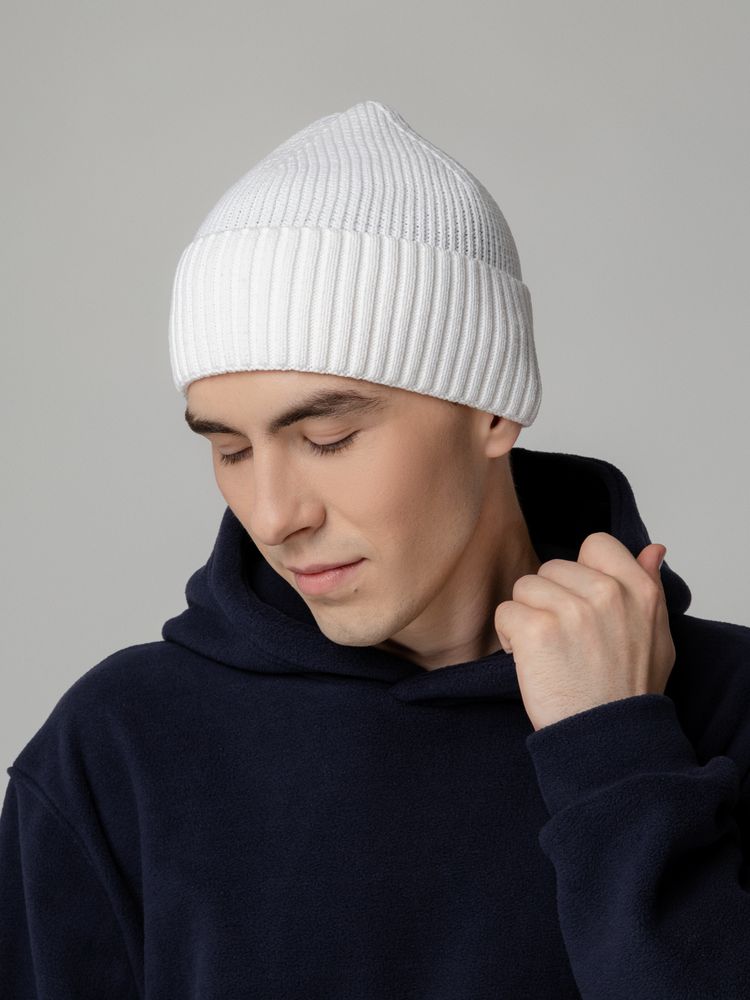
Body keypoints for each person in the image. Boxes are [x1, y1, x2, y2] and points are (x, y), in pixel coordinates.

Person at [1, 98, 748, 999]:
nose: (272, 516)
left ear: (491, 408)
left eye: (328, 439)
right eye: (229, 450)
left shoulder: (724, 708)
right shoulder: (120, 745)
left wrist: (616, 758)